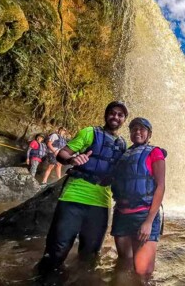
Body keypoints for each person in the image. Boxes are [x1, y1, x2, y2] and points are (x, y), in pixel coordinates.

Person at [37, 101, 128, 273]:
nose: (115, 117)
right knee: (57, 250)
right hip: (73, 197)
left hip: (100, 203)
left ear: (124, 120)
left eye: (120, 115)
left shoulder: (123, 145)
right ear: (106, 114)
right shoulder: (89, 133)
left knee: (90, 257)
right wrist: (72, 160)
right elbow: (63, 153)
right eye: (112, 113)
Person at [111, 117, 166, 278]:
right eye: (134, 129)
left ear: (149, 134)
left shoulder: (154, 152)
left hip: (143, 215)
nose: (137, 131)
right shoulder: (124, 155)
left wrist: (149, 222)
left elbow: (161, 186)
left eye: (142, 129)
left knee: (142, 273)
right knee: (123, 265)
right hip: (121, 215)